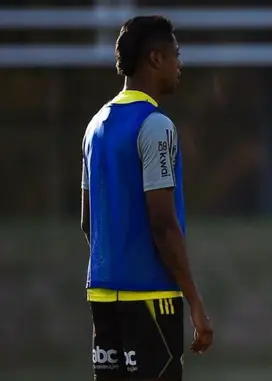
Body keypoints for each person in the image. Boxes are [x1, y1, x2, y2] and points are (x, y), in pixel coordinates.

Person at [80, 16, 213, 381]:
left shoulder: (95, 126)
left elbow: (87, 220)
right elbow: (162, 222)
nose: (179, 65)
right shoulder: (156, 125)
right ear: (156, 59)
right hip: (151, 298)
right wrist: (195, 302)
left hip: (103, 297)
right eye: (176, 55)